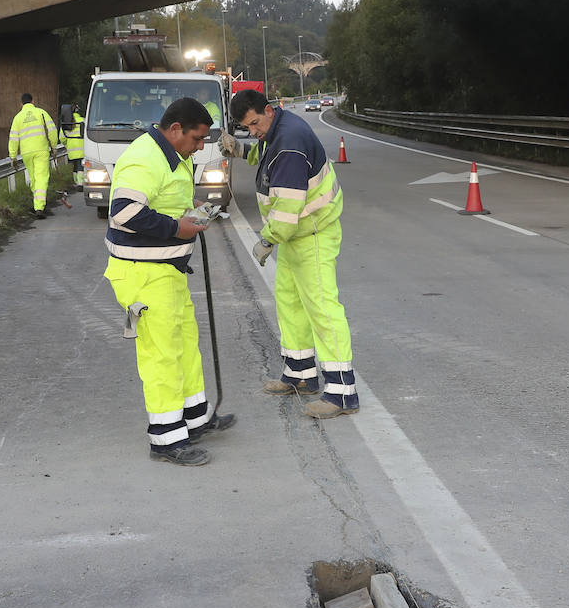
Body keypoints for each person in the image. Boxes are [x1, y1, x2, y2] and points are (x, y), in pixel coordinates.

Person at [104, 97, 236, 466]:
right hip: (141, 275)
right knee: (160, 354)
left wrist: (191, 215)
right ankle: (165, 440)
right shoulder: (144, 157)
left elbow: (165, 201)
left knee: (185, 344)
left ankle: (194, 419)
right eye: (196, 139)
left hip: (167, 271)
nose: (199, 147)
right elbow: (124, 212)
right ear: (175, 129)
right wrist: (177, 227)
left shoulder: (175, 156)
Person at [225, 88, 358, 419]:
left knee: (322, 308)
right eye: (247, 128)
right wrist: (241, 149)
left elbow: (287, 206)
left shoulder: (289, 141)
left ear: (268, 110)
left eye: (255, 124)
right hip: (298, 237)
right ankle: (300, 374)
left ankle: (342, 392)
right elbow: (265, 157)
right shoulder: (277, 130)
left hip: (311, 234)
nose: (254, 131)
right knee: (290, 301)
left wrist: (267, 240)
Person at [8, 93, 58, 218]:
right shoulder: (41, 113)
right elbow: (52, 131)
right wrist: (54, 147)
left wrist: (13, 156)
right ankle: (39, 208)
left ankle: (38, 204)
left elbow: (13, 138)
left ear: (21, 103)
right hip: (41, 150)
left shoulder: (18, 118)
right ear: (33, 101)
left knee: (34, 179)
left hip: (26, 153)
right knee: (41, 177)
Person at [62, 104, 86, 190]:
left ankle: (76, 182)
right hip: (82, 148)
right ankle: (80, 183)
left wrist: (67, 144)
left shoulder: (66, 123)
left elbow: (62, 137)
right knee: (80, 166)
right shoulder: (83, 121)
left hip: (71, 149)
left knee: (75, 167)